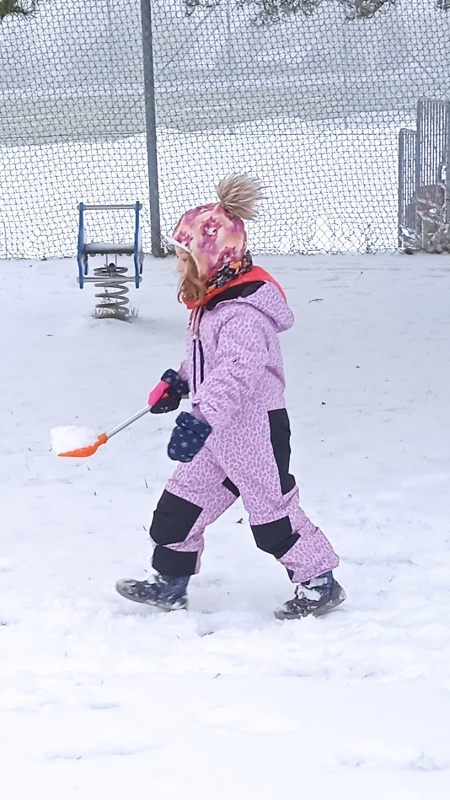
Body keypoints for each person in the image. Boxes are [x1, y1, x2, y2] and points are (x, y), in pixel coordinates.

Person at [116, 175, 345, 620]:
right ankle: (170, 584)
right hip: (216, 432)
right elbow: (210, 364)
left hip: (254, 430)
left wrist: (199, 417)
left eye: (185, 260)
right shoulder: (214, 305)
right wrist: (180, 382)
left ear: (212, 260)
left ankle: (320, 583)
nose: (179, 268)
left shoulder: (243, 314)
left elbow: (237, 374)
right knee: (177, 508)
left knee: (272, 517)